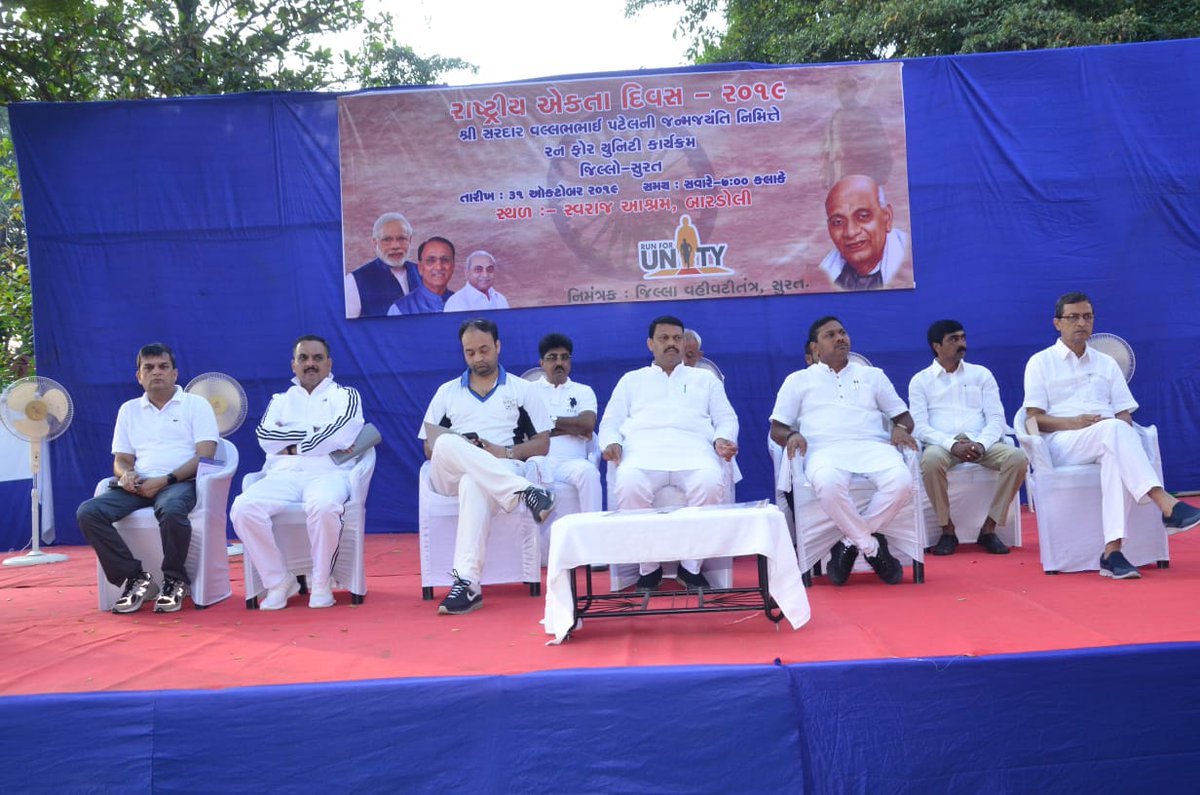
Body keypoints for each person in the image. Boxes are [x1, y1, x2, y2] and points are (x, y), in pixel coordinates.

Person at [1022, 292, 1200, 579]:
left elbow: (1123, 413)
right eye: (1074, 317)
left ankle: (1112, 552)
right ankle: (1166, 504)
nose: (1081, 322)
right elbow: (1034, 418)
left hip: (1107, 437)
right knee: (1113, 432)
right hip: (1065, 441)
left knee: (1116, 447)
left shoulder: (1106, 363)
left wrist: (1123, 435)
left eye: (1087, 316)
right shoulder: (1040, 362)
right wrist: (1075, 422)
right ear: (1057, 323)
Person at [419, 318, 556, 615]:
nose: (478, 358)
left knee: (474, 482)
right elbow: (428, 447)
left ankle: (466, 584)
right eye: (470, 353)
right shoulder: (447, 392)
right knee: (444, 444)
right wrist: (466, 449)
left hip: (502, 466)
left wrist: (502, 451)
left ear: (497, 346)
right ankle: (528, 492)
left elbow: (542, 443)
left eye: (484, 350)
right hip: (450, 474)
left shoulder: (523, 390)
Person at [769, 316, 916, 585]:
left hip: (873, 447)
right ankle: (872, 548)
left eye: (842, 332)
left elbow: (904, 418)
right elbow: (777, 429)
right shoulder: (797, 380)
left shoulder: (873, 376)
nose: (840, 338)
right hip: (824, 450)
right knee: (826, 483)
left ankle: (849, 543)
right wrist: (792, 434)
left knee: (903, 482)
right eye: (830, 335)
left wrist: (900, 429)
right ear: (814, 348)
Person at [598, 315, 739, 591]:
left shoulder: (704, 380)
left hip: (695, 453)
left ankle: (691, 568)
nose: (671, 344)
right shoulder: (631, 380)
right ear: (651, 344)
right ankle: (649, 569)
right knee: (628, 484)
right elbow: (610, 422)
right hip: (642, 454)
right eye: (664, 338)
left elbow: (726, 418)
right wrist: (612, 443)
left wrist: (723, 438)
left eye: (677, 338)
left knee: (710, 484)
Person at [76, 343, 219, 613]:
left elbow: (205, 456)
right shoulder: (129, 410)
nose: (157, 373)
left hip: (179, 483)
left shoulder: (195, 405)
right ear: (138, 376)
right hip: (138, 485)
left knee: (173, 509)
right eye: (149, 368)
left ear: (175, 374)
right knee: (89, 512)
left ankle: (174, 580)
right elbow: (121, 459)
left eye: (163, 367)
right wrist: (126, 475)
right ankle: (135, 577)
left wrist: (165, 480)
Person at [230, 335, 365, 609]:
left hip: (329, 474)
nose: (310, 364)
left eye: (317, 358)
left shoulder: (346, 395)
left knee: (325, 506)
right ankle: (278, 581)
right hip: (283, 475)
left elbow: (343, 433)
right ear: (293, 365)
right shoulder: (280, 400)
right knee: (242, 508)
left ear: (329, 363)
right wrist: (316, 438)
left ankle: (321, 581)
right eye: (303, 358)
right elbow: (266, 437)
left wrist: (292, 446)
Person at [909, 320, 1027, 556]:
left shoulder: (981, 374)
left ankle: (989, 528)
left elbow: (996, 418)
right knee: (930, 462)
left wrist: (981, 444)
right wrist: (952, 445)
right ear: (936, 346)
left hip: (981, 441)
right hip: (943, 445)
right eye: (953, 339)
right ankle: (947, 530)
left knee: (1018, 458)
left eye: (962, 337)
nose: (961, 344)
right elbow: (920, 427)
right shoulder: (920, 381)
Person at [529, 333, 601, 516]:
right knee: (532, 467)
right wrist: (571, 427)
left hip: (573, 462)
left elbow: (586, 426)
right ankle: (533, 543)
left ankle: (593, 534)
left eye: (564, 357)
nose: (559, 362)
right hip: (541, 460)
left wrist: (547, 422)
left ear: (570, 361)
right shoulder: (528, 391)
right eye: (552, 358)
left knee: (589, 473)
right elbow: (527, 430)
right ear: (541, 362)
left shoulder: (583, 391)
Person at [818, 174, 910, 291]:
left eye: (863, 216)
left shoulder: (912, 261)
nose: (850, 232)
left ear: (887, 218)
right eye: (838, 222)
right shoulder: (826, 272)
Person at [345, 213, 422, 318]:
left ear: (410, 240)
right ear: (375, 243)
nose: (395, 246)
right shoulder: (354, 282)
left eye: (401, 238)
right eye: (387, 240)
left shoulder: (424, 273)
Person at [388, 237, 456, 315]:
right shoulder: (400, 309)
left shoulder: (464, 304)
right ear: (420, 268)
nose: (439, 267)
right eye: (431, 260)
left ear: (453, 266)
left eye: (445, 260)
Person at [444, 250, 510, 312]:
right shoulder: (456, 302)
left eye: (489, 269)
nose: (485, 275)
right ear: (467, 273)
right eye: (478, 270)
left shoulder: (501, 299)